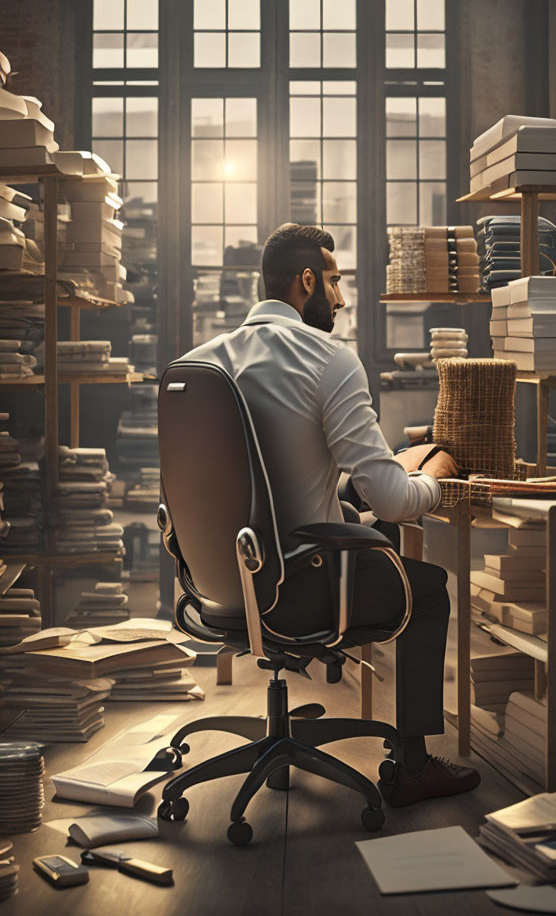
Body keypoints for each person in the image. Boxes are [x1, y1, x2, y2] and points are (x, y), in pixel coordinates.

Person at [180, 222, 480, 806]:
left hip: (215, 586)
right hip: (298, 591)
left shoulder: (198, 363)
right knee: (429, 588)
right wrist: (434, 478)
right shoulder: (328, 359)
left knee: (350, 507)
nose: (341, 301)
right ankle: (415, 768)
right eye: (336, 284)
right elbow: (393, 500)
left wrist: (356, 487)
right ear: (307, 282)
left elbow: (265, 479)